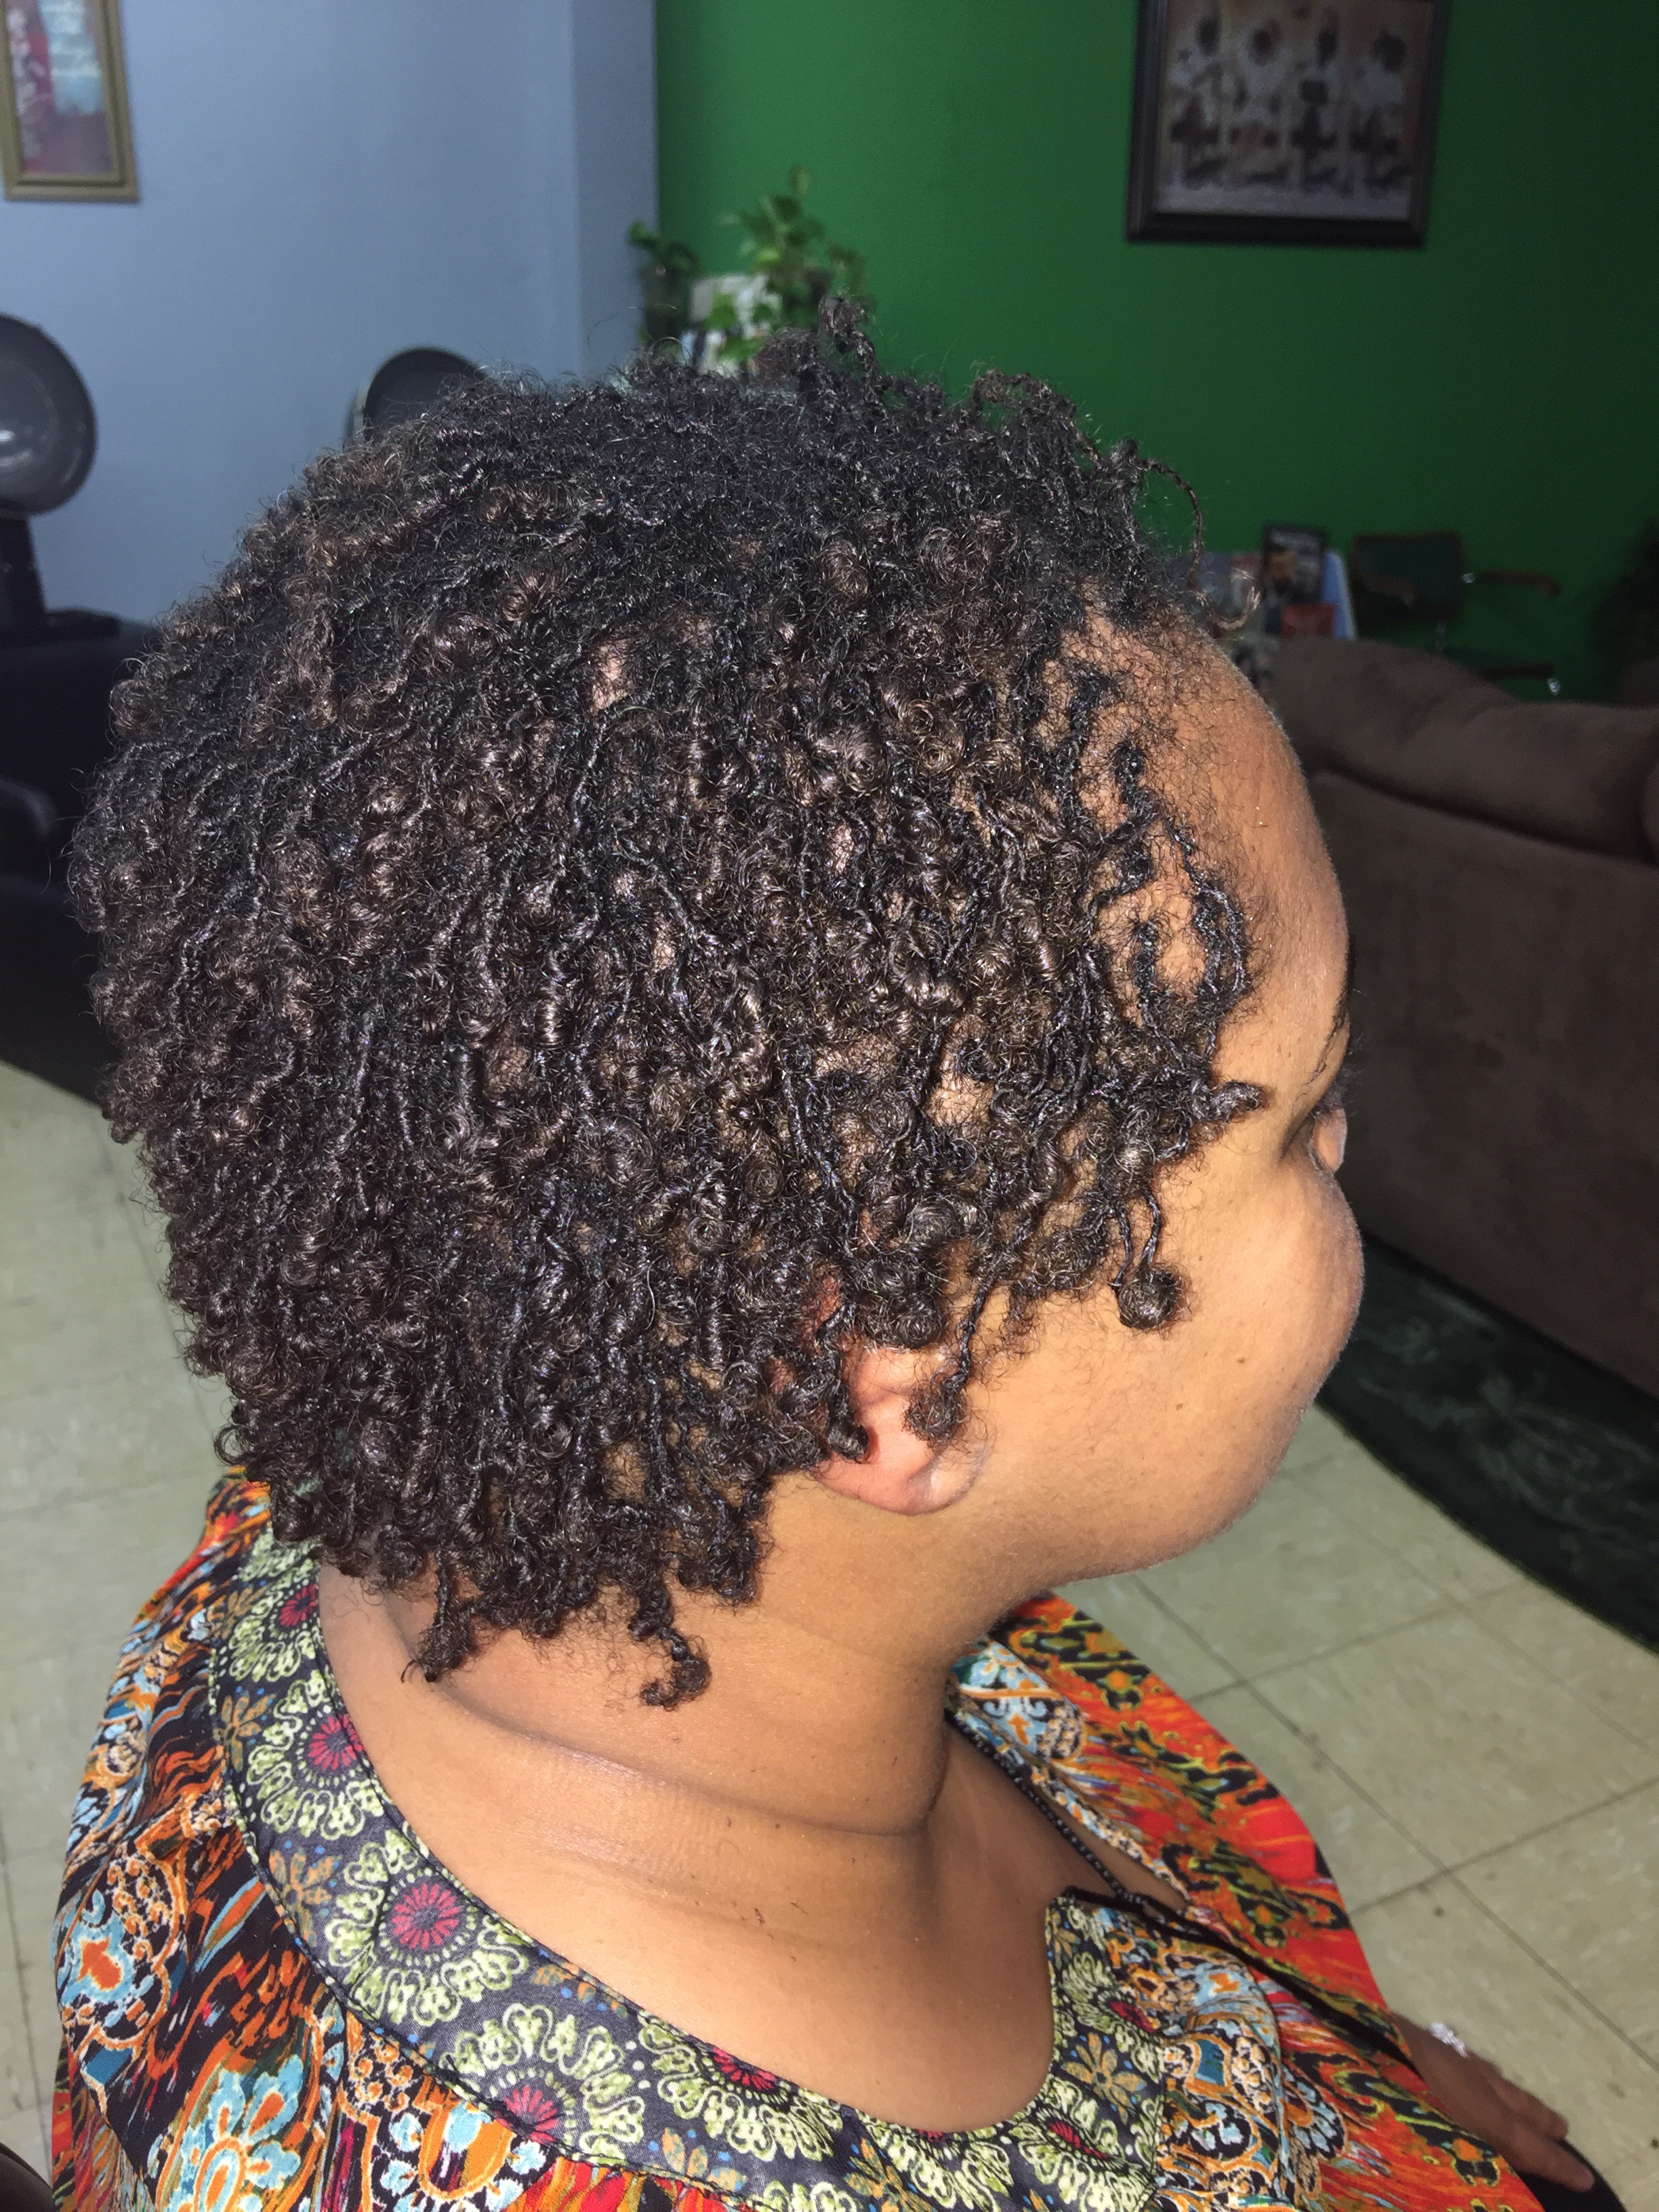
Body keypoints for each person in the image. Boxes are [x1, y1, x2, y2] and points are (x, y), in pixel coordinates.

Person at [56, 306, 1607, 2212]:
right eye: (1304, 1115)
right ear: (890, 1383)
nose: (1352, 1142)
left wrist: (1362, 2091)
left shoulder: (445, 1488)